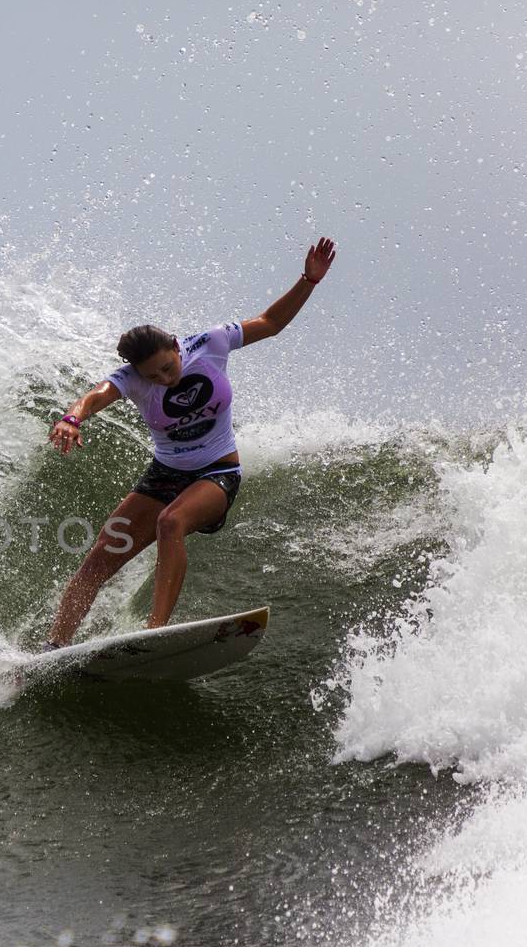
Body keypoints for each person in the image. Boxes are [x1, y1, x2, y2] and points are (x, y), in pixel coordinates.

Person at [41, 237, 337, 650]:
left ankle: (154, 633)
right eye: (154, 376)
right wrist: (72, 417)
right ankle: (52, 650)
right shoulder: (133, 379)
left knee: (171, 522)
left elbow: (270, 323)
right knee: (96, 563)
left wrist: (308, 280)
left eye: (167, 366)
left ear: (177, 346)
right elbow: (97, 394)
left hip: (217, 472)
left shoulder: (213, 342)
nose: (165, 379)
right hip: (165, 475)